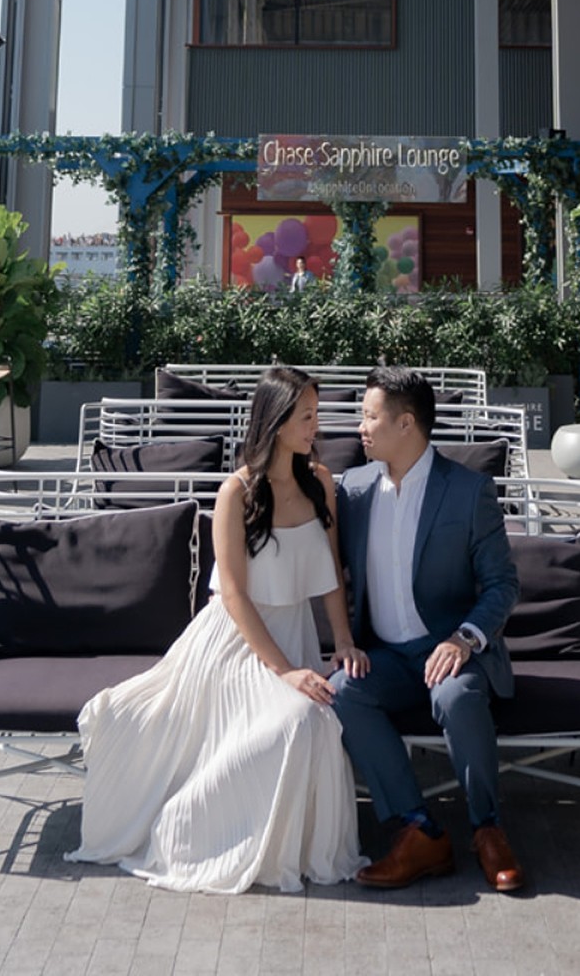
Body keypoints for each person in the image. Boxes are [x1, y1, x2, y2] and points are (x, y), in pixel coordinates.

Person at [65, 365, 368, 893]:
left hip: (293, 633)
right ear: (274, 422)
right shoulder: (237, 492)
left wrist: (341, 641)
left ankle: (286, 845)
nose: (315, 427)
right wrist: (288, 671)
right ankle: (192, 826)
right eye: (305, 416)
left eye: (317, 415)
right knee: (296, 722)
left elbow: (332, 574)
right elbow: (232, 594)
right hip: (233, 643)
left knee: (317, 723)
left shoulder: (321, 481)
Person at [330, 366, 525, 894]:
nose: (361, 427)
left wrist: (463, 638)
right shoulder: (351, 489)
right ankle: (421, 831)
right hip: (386, 656)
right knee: (344, 692)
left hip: (452, 649)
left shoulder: (467, 491)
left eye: (371, 417)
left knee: (458, 696)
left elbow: (502, 585)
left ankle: (487, 828)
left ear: (407, 423)